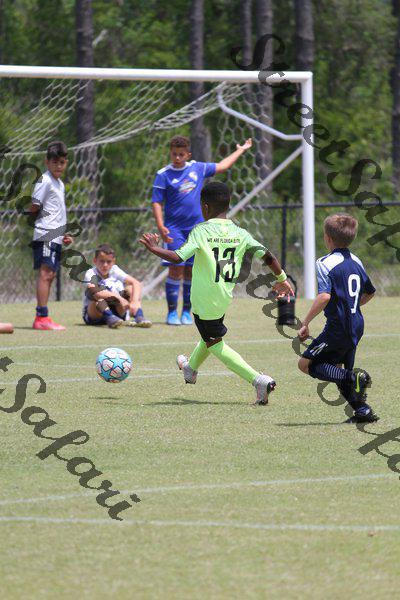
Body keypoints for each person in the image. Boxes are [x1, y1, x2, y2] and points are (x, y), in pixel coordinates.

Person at [141, 181, 293, 405]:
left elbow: (178, 257)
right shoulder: (240, 233)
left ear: (204, 207)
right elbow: (268, 256)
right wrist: (282, 279)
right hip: (223, 296)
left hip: (204, 299)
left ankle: (258, 380)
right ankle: (190, 369)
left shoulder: (201, 231)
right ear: (228, 205)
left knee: (214, 342)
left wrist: (154, 248)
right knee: (209, 334)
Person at [152, 134, 253, 326]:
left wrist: (240, 150)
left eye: (181, 154)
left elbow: (222, 166)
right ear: (170, 153)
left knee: (192, 270)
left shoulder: (197, 168)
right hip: (174, 229)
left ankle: (186, 312)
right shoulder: (163, 174)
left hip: (198, 229)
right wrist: (160, 225)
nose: (177, 158)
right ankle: (172, 313)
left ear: (188, 154)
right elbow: (157, 201)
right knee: (175, 268)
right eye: (174, 154)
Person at [297, 213, 378, 424]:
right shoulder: (356, 261)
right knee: (337, 369)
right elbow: (370, 292)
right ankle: (362, 411)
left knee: (305, 364)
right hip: (357, 324)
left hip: (338, 327)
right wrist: (352, 307)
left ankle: (354, 378)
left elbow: (324, 296)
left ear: (328, 238)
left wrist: (305, 322)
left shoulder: (324, 263)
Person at [30, 140, 73, 331]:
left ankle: (43, 316)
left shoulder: (59, 183)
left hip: (55, 235)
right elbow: (35, 205)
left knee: (51, 274)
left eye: (62, 162)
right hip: (46, 234)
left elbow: (57, 211)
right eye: (55, 162)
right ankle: (41, 317)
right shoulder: (45, 180)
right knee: (46, 273)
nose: (59, 166)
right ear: (47, 162)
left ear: (66, 163)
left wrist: (63, 233)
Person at [83, 243, 151, 329]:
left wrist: (134, 301)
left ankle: (139, 316)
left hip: (118, 311)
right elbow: (96, 293)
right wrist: (119, 298)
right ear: (95, 261)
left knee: (130, 289)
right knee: (97, 297)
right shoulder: (91, 273)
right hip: (96, 313)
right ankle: (110, 317)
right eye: (102, 261)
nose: (105, 265)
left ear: (113, 261)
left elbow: (136, 283)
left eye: (108, 262)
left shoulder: (115, 270)